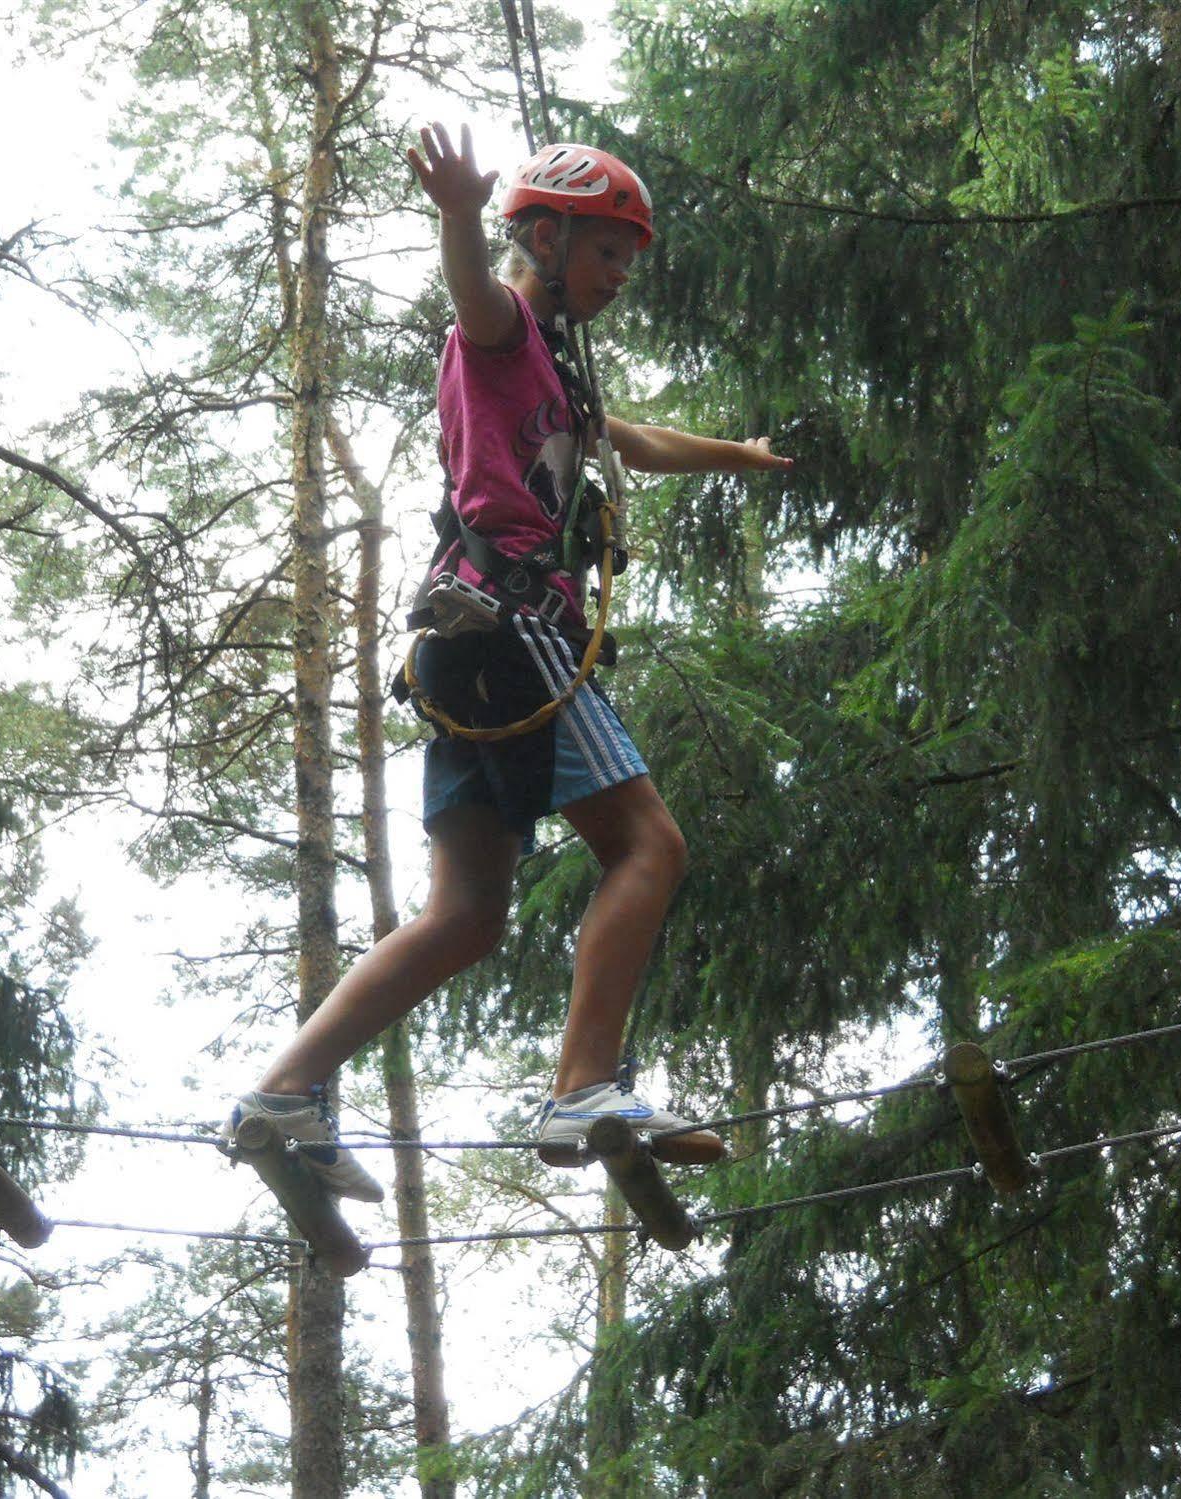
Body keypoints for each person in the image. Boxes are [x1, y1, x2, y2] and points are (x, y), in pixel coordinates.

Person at [228, 124, 792, 1201]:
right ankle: (582, 1082)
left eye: (630, 258)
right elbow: (475, 298)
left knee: (467, 911)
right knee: (649, 845)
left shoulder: (558, 374)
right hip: (512, 623)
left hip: (457, 649)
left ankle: (285, 1089)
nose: (621, 275)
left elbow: (630, 439)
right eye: (606, 251)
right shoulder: (502, 332)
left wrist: (738, 454)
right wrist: (456, 216)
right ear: (543, 234)